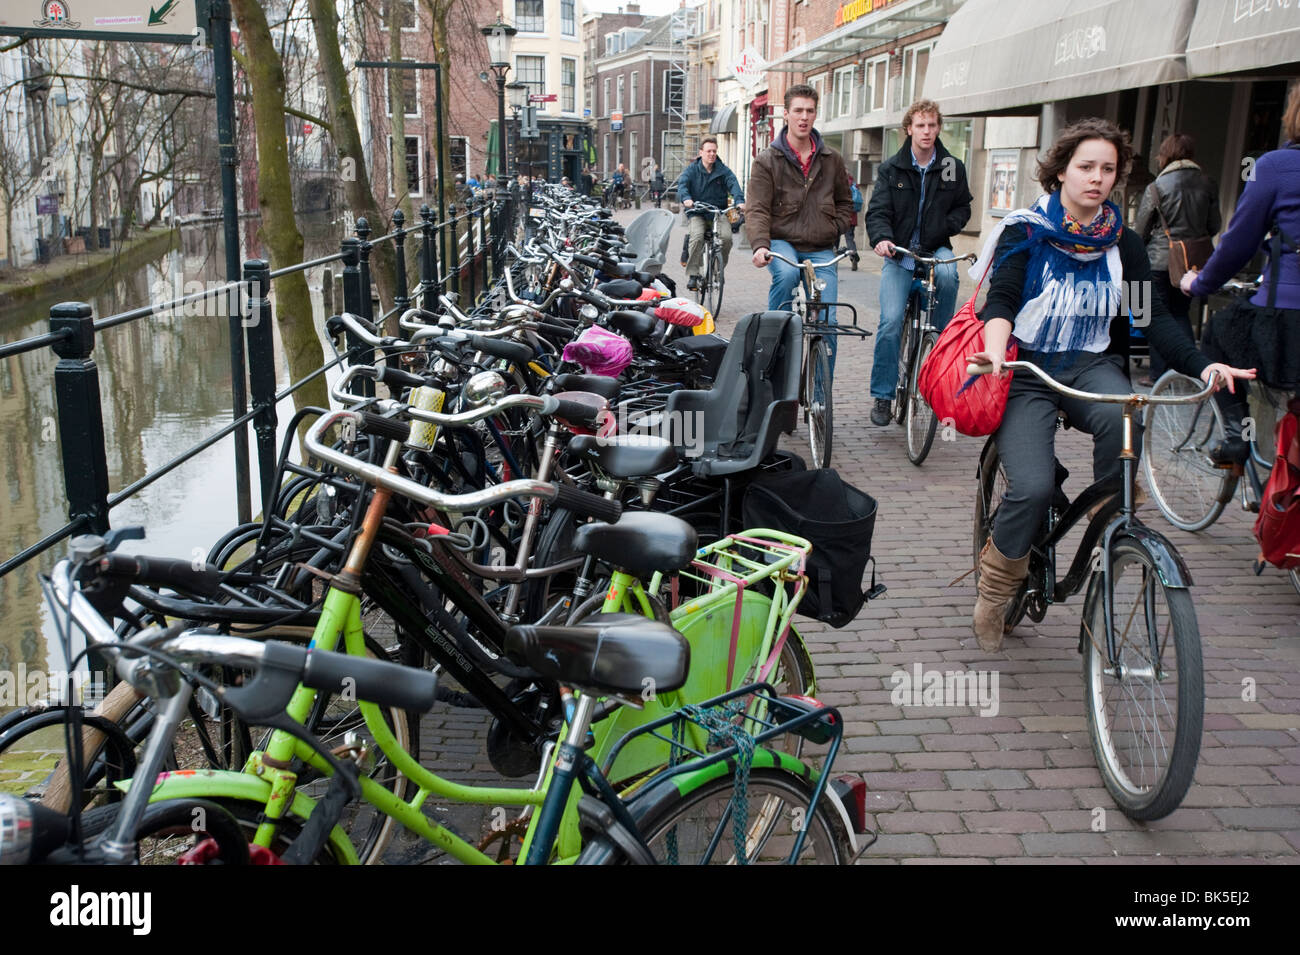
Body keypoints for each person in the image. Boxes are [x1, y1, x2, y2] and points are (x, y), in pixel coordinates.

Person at [966, 117, 1254, 651]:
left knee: (1126, 413)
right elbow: (1002, 300)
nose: (1097, 178)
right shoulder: (1026, 231)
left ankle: (1110, 527)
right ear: (1060, 172)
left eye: (1108, 169)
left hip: (1090, 364)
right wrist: (994, 349)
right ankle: (996, 586)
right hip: (1028, 371)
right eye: (1086, 167)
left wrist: (1202, 364)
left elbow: (1152, 319)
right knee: (1028, 488)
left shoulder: (1122, 242)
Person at [1180, 84, 1300, 464]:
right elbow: (1216, 220)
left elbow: (1238, 241)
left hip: (1286, 311)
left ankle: (1236, 437)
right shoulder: (1208, 186)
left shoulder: (1276, 166)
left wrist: (1201, 283)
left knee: (1217, 334)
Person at [865, 99, 973, 426]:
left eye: (932, 125)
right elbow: (878, 211)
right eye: (920, 125)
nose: (926, 132)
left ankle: (937, 339)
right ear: (909, 129)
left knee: (950, 274)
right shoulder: (891, 168)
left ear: (938, 128)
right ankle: (883, 396)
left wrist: (945, 227)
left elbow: (963, 208)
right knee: (890, 322)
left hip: (935, 248)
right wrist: (882, 239)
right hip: (899, 254)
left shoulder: (953, 166)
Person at [745, 83, 853, 365]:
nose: (804, 117)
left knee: (828, 320)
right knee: (787, 276)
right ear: (786, 115)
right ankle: (769, 360)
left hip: (820, 246)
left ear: (816, 115)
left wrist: (834, 227)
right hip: (782, 242)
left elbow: (846, 203)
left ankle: (820, 400)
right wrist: (760, 246)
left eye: (810, 111)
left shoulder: (832, 160)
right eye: (798, 111)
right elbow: (756, 209)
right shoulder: (767, 160)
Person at [1134, 133, 1220, 384]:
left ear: (1165, 155)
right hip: (1193, 262)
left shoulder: (1156, 187)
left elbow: (1140, 230)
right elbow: (1215, 225)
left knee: (1153, 315)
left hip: (1159, 260)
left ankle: (1158, 374)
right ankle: (1190, 371)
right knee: (1181, 314)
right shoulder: (1208, 183)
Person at [678, 137, 745, 292]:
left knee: (727, 238)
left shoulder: (723, 170)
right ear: (701, 152)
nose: (712, 154)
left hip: (717, 212)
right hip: (697, 211)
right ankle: (694, 274)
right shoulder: (692, 170)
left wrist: (739, 201)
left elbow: (733, 184)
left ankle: (717, 269)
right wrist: (686, 198)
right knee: (696, 236)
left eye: (714, 151)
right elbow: (683, 185)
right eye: (709, 151)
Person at [841, 170, 861, 271]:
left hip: (840, 216)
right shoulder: (854, 184)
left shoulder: (838, 182)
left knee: (834, 239)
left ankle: (833, 261)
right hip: (851, 216)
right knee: (849, 238)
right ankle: (853, 257)